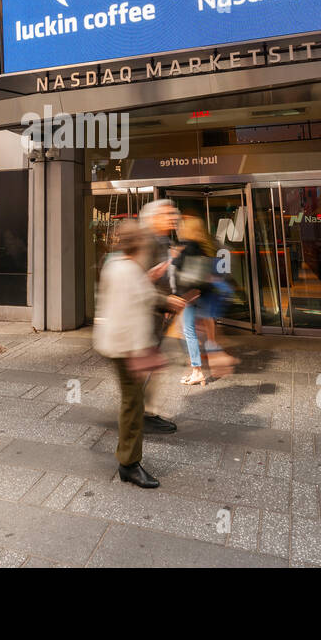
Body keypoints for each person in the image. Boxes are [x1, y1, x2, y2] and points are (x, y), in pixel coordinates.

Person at [93, 220, 166, 489]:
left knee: (131, 402)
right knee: (132, 405)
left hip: (119, 346)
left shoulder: (118, 264)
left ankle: (129, 461)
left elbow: (137, 295)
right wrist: (140, 354)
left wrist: (155, 286)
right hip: (125, 348)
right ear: (140, 244)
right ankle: (129, 465)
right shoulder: (127, 270)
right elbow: (129, 315)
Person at [136, 199, 186, 434]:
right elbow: (138, 284)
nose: (173, 216)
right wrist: (165, 300)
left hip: (158, 315)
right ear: (154, 217)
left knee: (152, 367)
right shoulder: (146, 242)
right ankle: (140, 415)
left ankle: (143, 412)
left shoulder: (163, 240)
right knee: (146, 367)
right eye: (167, 213)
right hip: (145, 317)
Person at [172, 215, 238, 386]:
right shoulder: (203, 247)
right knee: (194, 330)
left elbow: (177, 267)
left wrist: (174, 256)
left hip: (191, 296)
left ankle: (197, 371)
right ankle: (200, 366)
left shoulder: (188, 247)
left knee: (188, 331)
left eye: (182, 226)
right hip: (203, 295)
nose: (179, 228)